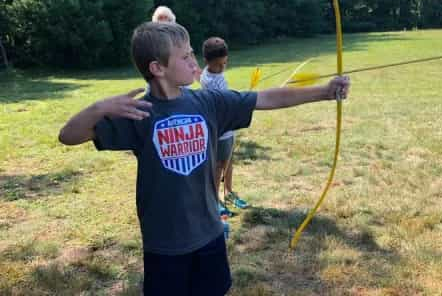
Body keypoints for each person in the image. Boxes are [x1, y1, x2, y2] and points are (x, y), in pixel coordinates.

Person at [58, 22, 350, 296]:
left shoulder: (208, 103)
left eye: (192, 55)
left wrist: (324, 92)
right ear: (157, 68)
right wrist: (99, 108)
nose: (194, 64)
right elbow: (68, 135)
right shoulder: (139, 113)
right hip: (165, 244)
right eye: (185, 57)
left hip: (209, 233)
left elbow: (266, 98)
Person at [200, 37, 247, 216]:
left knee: (228, 161)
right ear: (207, 62)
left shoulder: (214, 73)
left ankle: (228, 192)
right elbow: (221, 101)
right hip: (219, 129)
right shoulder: (209, 80)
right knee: (218, 165)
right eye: (218, 65)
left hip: (227, 128)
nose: (222, 68)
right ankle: (214, 199)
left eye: (224, 64)